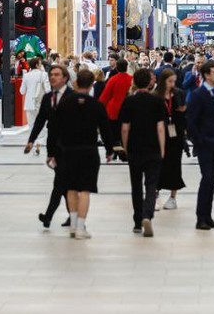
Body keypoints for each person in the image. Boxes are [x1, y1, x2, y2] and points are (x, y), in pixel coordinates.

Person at [50, 69, 115, 239]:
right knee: (85, 190)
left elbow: (54, 129)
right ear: (92, 85)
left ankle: (72, 225)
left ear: (76, 82)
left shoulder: (64, 103)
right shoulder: (97, 105)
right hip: (89, 151)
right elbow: (105, 130)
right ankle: (80, 227)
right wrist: (110, 150)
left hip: (68, 151)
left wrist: (52, 152)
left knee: (71, 188)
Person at [119, 69, 167, 237]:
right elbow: (160, 127)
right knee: (151, 185)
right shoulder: (157, 101)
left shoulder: (128, 101)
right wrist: (162, 148)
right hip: (153, 148)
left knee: (136, 185)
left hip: (135, 148)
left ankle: (137, 221)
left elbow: (125, 128)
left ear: (134, 82)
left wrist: (126, 147)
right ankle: (148, 214)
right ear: (149, 83)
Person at [186, 60, 214, 230]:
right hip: (205, 144)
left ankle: (208, 216)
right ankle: (201, 218)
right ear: (206, 75)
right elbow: (191, 121)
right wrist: (199, 141)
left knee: (212, 181)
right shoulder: (198, 94)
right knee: (207, 179)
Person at [26, 65, 70, 228]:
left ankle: (49, 216)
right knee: (64, 184)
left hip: (70, 147)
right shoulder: (47, 98)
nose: (52, 77)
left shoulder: (72, 96)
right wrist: (31, 140)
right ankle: (72, 216)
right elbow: (40, 121)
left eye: (57, 75)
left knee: (60, 183)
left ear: (65, 78)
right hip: (54, 147)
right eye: (51, 74)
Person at [154, 68, 187, 210]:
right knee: (158, 165)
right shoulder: (156, 96)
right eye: (170, 81)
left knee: (175, 165)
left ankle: (173, 197)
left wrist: (184, 110)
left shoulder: (179, 94)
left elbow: (184, 113)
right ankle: (155, 193)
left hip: (176, 135)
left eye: (174, 81)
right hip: (159, 135)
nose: (172, 84)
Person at [98, 59, 133, 157]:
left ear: (117, 68)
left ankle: (115, 151)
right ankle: (125, 150)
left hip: (113, 109)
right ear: (126, 67)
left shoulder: (112, 79)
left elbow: (106, 95)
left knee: (114, 133)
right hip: (128, 109)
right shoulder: (131, 79)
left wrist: (100, 106)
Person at [19, 57, 48, 143]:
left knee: (31, 125)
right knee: (43, 124)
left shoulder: (26, 76)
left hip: (29, 104)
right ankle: (39, 142)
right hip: (40, 102)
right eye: (40, 63)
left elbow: (22, 91)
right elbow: (48, 90)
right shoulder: (44, 75)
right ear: (37, 65)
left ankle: (33, 141)